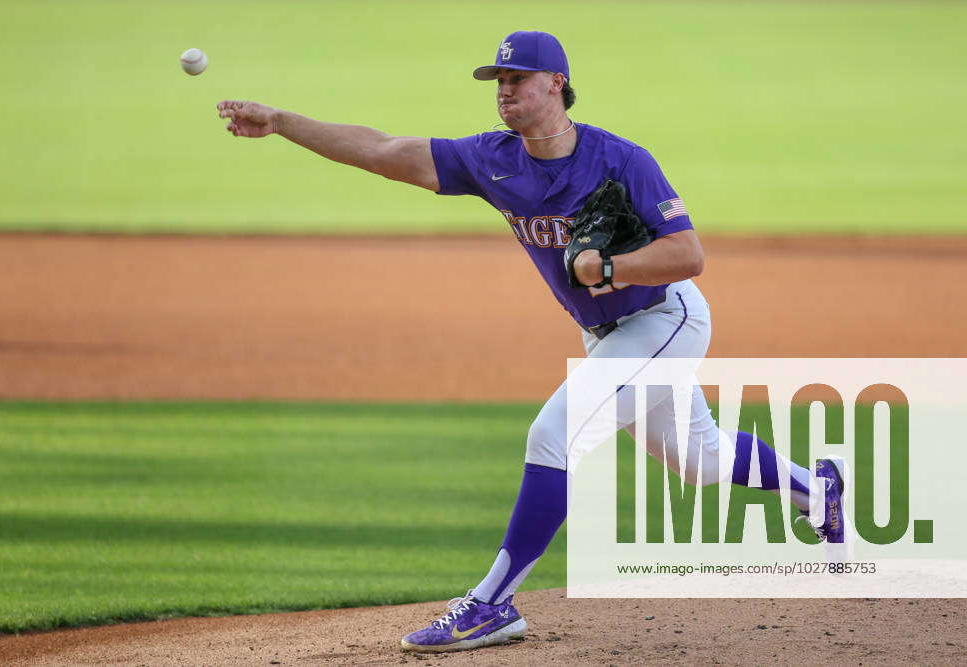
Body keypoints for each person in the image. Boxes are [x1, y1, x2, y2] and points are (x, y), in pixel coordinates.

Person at [217, 30, 846, 654]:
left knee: (553, 433)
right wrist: (280, 121)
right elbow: (382, 149)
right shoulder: (492, 159)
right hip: (606, 330)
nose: (505, 90)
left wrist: (609, 269)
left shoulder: (621, 160)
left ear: (557, 85)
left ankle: (492, 604)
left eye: (517, 79)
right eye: (499, 81)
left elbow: (688, 255)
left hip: (663, 319)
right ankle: (819, 491)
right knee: (697, 459)